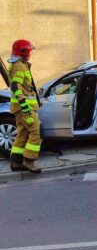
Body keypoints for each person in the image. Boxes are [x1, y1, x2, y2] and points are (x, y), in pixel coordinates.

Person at [8, 39, 42, 173]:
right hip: (24, 108)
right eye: (29, 51)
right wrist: (23, 103)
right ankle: (29, 161)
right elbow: (16, 86)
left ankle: (16, 163)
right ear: (24, 51)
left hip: (23, 107)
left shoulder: (21, 65)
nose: (31, 53)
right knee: (35, 131)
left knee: (23, 133)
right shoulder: (18, 66)